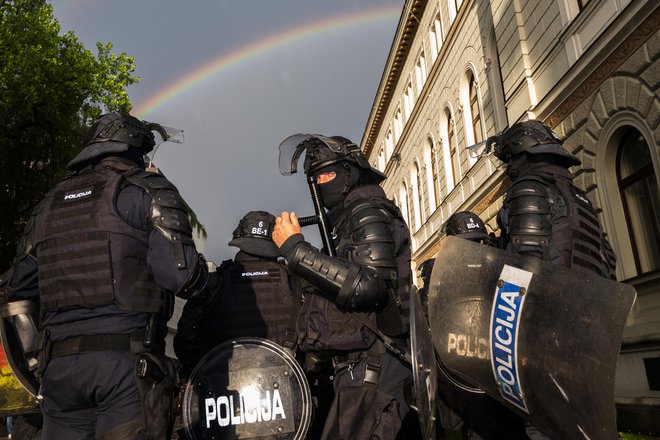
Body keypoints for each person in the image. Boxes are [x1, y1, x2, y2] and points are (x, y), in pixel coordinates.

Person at [1, 112, 212, 440]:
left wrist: (33, 362)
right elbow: (181, 275)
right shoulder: (148, 189)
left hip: (59, 374)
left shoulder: (47, 205)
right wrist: (214, 282)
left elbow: (14, 292)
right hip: (124, 366)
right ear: (134, 148)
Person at [273, 134, 414, 440]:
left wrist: (296, 250)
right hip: (360, 370)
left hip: (377, 367)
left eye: (326, 174)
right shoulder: (351, 216)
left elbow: (369, 286)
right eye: (315, 177)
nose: (320, 183)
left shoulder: (366, 211)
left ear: (349, 172)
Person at [486, 120, 618, 439]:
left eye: (506, 159)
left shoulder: (530, 189)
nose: (506, 169)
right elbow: (607, 264)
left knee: (546, 423)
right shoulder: (578, 198)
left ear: (518, 152)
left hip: (548, 336)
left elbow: (525, 271)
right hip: (589, 332)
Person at [174, 210, 296, 377]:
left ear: (240, 238)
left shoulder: (213, 283)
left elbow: (184, 344)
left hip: (226, 392)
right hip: (288, 390)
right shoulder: (295, 283)